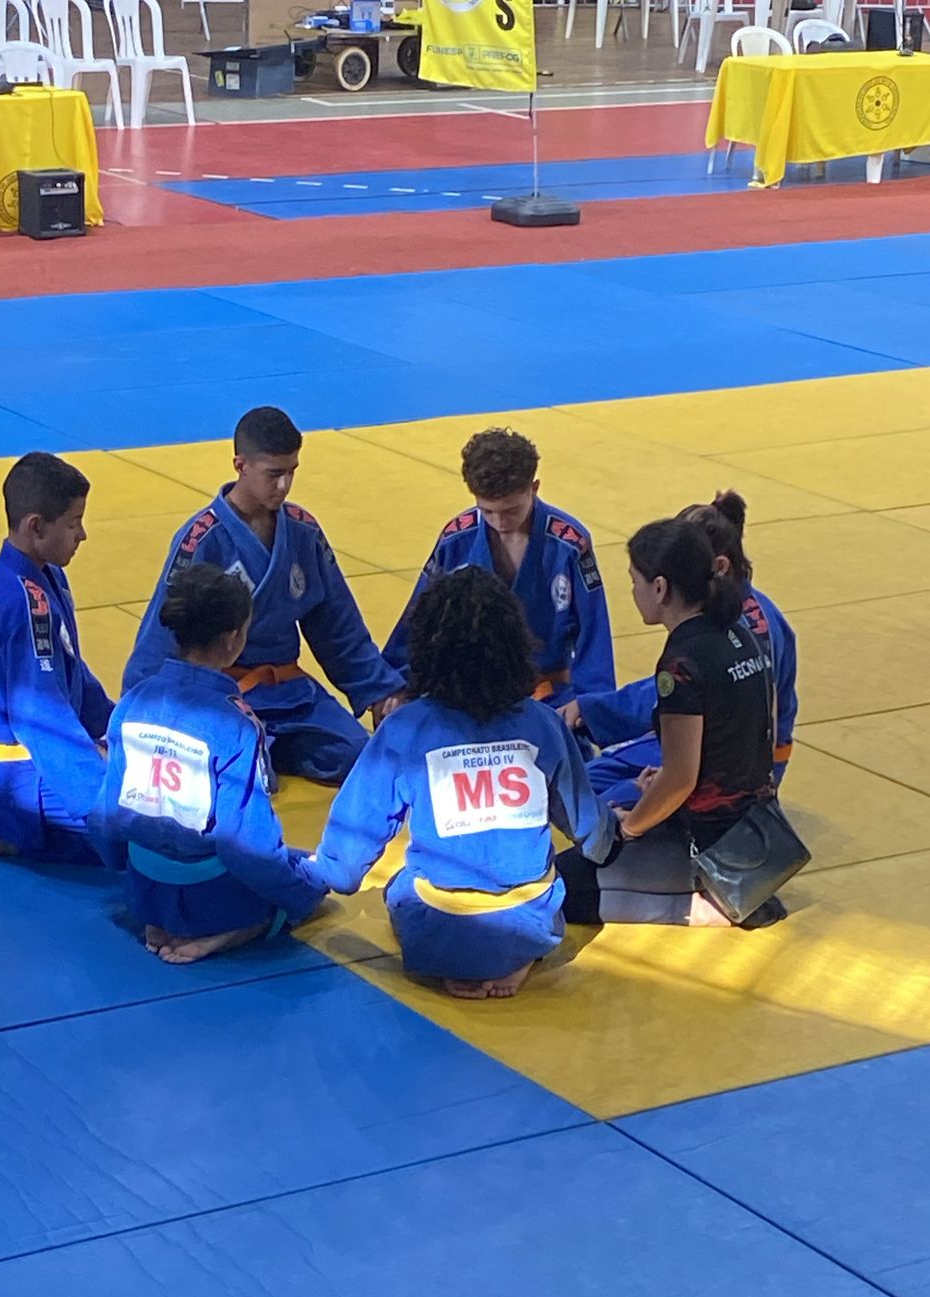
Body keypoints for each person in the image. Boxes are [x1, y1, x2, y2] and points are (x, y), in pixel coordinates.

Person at [295, 567, 615, 999]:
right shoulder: (543, 724)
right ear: (516, 646)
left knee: (402, 886)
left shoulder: (405, 728)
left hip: (436, 929)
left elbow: (348, 857)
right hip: (530, 921)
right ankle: (515, 957)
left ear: (427, 650)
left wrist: (319, 871)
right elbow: (591, 833)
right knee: (540, 884)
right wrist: (620, 827)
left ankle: (459, 959)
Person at [124, 406, 405, 785]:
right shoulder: (202, 538)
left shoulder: (303, 531)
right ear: (240, 465)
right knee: (248, 775)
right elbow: (164, 629)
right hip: (223, 692)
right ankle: (261, 748)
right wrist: (139, 710)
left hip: (290, 693)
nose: (284, 485)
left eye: (292, 472)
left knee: (360, 757)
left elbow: (338, 624)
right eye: (274, 474)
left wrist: (379, 690)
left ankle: (273, 745)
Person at [557, 518, 786, 930]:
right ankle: (724, 892)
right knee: (614, 805)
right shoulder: (743, 634)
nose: (633, 592)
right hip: (758, 827)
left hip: (712, 844)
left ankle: (708, 907)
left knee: (558, 888)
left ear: (660, 588)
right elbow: (754, 739)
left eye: (635, 581)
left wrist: (627, 829)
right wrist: (662, 788)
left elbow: (681, 779)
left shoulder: (681, 663)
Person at [91, 564, 325, 962]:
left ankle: (162, 919)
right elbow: (245, 844)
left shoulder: (134, 701)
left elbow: (104, 816)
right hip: (210, 894)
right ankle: (231, 932)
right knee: (308, 874)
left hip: (144, 888)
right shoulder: (234, 721)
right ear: (234, 638)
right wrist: (301, 894)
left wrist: (125, 870)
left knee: (288, 859)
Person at [570, 490, 797, 809]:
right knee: (582, 783)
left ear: (718, 566)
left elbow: (677, 707)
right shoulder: (727, 622)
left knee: (586, 803)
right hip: (720, 756)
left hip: (719, 777)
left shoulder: (728, 636)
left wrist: (592, 710)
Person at [0, 452, 112, 863]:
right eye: (73, 523)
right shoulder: (20, 600)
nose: (83, 535)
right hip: (17, 775)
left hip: (33, 763)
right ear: (36, 526)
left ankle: (6, 824)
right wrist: (100, 798)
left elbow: (72, 675)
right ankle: (7, 827)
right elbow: (38, 714)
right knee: (149, 837)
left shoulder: (42, 576)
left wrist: (120, 733)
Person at [383, 427, 615, 708]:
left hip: (547, 693)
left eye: (511, 510)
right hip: (463, 692)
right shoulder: (456, 539)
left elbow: (594, 631)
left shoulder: (569, 543)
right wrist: (394, 684)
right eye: (488, 511)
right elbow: (420, 618)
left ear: (534, 488)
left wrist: (592, 705)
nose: (500, 522)